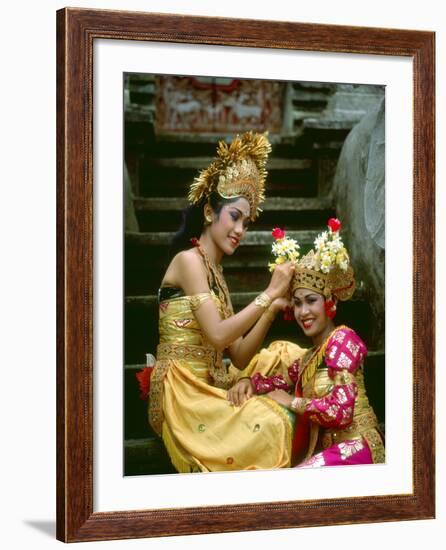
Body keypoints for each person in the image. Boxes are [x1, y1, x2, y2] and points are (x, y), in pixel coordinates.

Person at [138, 131, 306, 473]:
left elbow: (240, 355)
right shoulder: (188, 261)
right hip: (185, 391)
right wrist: (270, 293)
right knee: (272, 422)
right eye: (235, 216)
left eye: (246, 221)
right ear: (210, 213)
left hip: (216, 378)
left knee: (289, 354)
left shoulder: (216, 273)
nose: (241, 229)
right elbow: (217, 335)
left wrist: (271, 310)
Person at [228, 219, 385, 467]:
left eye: (311, 301)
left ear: (329, 302)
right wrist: (248, 381)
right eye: (298, 303)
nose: (303, 312)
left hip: (358, 448)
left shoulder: (343, 340)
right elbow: (277, 383)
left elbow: (341, 412)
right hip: (331, 453)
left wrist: (293, 402)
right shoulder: (309, 358)